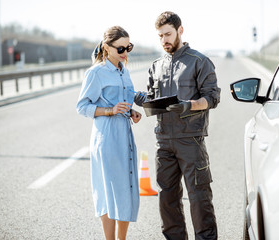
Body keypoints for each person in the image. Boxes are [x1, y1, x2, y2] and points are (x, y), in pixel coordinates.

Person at [134, 11, 220, 240]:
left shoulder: (199, 61)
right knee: (167, 198)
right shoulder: (156, 66)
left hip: (190, 140)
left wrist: (188, 106)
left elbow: (212, 98)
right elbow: (152, 98)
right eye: (160, 36)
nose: (164, 40)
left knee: (199, 197)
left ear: (180, 30)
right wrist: (136, 97)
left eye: (168, 34)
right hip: (163, 141)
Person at [76, 26, 141, 240]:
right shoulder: (96, 73)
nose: (125, 52)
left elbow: (123, 100)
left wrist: (130, 111)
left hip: (125, 136)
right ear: (107, 47)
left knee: (127, 189)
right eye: (120, 48)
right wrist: (110, 111)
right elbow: (82, 106)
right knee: (108, 191)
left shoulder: (125, 71)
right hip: (107, 138)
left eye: (128, 47)